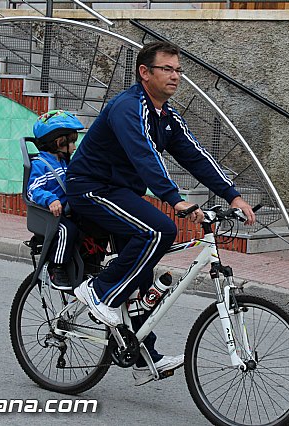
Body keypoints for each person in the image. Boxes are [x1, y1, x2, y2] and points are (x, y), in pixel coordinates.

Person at [66, 41, 256, 385]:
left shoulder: (167, 116)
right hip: (91, 188)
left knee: (140, 275)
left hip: (121, 192)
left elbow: (196, 156)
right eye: (167, 69)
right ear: (144, 73)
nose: (175, 76)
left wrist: (233, 195)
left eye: (178, 70)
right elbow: (144, 156)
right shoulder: (128, 107)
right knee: (159, 230)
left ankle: (141, 356)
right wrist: (175, 199)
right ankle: (99, 292)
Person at [27, 110, 84, 288]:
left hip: (67, 211)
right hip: (50, 216)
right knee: (67, 231)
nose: (74, 147)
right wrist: (50, 199)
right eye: (71, 142)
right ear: (59, 142)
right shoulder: (41, 164)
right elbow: (33, 189)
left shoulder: (63, 162)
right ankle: (55, 268)